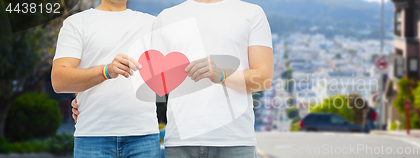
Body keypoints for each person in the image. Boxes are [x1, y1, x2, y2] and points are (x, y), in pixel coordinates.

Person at [151, 0, 274, 157]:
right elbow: (158, 83)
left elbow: (264, 78)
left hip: (235, 142)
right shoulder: (165, 17)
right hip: (180, 142)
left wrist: (221, 75)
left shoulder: (252, 13)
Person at [51, 0, 161, 157]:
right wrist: (106, 71)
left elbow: (181, 66)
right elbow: (59, 80)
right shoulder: (76, 23)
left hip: (143, 136)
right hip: (92, 137)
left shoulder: (153, 24)